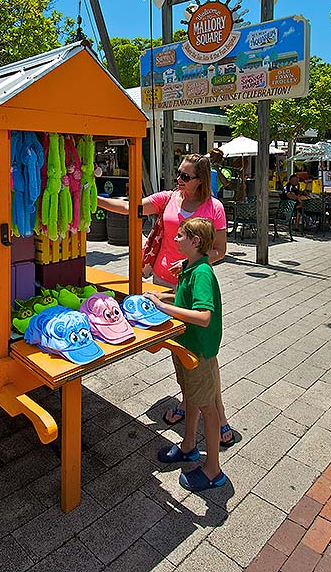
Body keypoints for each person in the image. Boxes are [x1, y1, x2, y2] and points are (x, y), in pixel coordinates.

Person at [97, 153, 237, 447]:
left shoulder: (214, 208)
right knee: (179, 348)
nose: (179, 180)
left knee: (204, 355)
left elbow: (220, 250)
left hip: (192, 286)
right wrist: (93, 199)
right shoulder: (169, 198)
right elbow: (129, 208)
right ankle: (188, 402)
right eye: (179, 174)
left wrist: (188, 266)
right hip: (162, 284)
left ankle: (219, 414)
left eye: (186, 176)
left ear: (201, 180)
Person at [151, 217, 228, 492]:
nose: (175, 239)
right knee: (191, 398)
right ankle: (188, 447)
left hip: (200, 351)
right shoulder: (190, 267)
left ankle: (213, 470)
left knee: (208, 407)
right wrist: (162, 298)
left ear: (195, 242)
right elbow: (185, 300)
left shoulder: (202, 273)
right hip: (187, 347)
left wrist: (165, 308)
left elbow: (204, 316)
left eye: (180, 235)